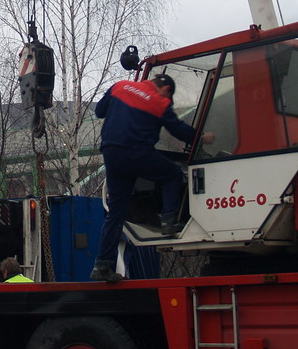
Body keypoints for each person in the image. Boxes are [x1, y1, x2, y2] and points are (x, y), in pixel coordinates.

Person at [91, 72, 214, 282]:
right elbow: (178, 130)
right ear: (166, 90)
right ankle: (168, 222)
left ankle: (102, 266)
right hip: (138, 153)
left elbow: (100, 112)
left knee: (116, 213)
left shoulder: (120, 87)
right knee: (173, 175)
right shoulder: (159, 102)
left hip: (111, 154)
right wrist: (201, 138)